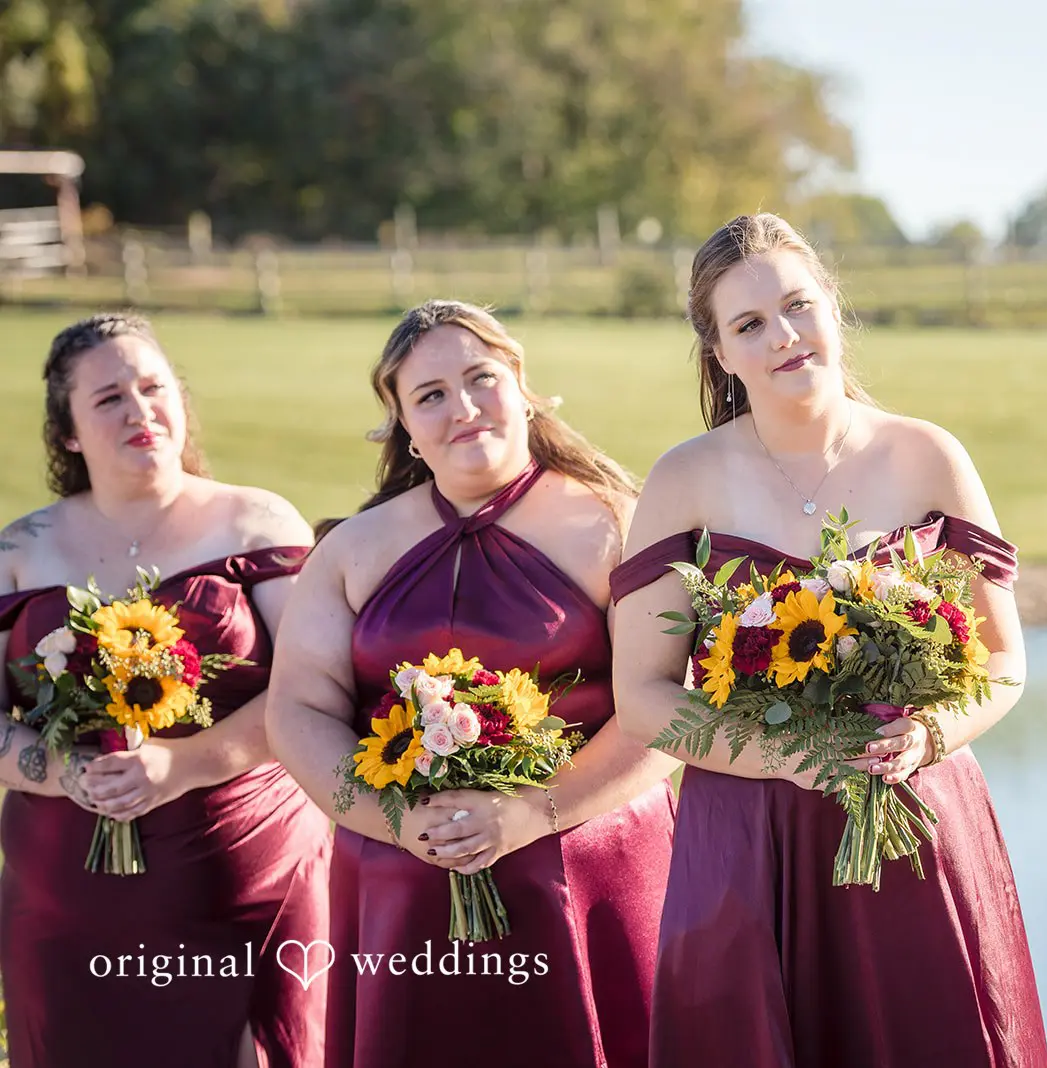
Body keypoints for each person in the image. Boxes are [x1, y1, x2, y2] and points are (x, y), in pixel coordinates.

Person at [610, 213, 1047, 1068]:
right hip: (748, 829)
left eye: (798, 306)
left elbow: (1004, 663)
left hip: (915, 813)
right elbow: (643, 697)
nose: (783, 337)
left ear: (834, 310)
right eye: (748, 325)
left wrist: (926, 733)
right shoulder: (682, 480)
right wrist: (789, 755)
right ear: (720, 354)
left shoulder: (928, 457)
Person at [265, 299, 677, 1068]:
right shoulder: (353, 548)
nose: (462, 408)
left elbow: (666, 709)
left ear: (522, 386)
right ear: (401, 428)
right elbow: (298, 709)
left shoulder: (617, 524)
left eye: (480, 378)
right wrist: (395, 822)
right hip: (400, 885)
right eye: (429, 396)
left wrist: (532, 811)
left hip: (587, 867)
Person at [0, 312, 330, 1068]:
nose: (140, 410)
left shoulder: (257, 522)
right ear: (70, 434)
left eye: (153, 387)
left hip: (246, 876)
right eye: (109, 398)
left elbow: (312, 691)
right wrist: (66, 773)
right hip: (66, 899)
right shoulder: (21, 551)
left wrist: (185, 765)